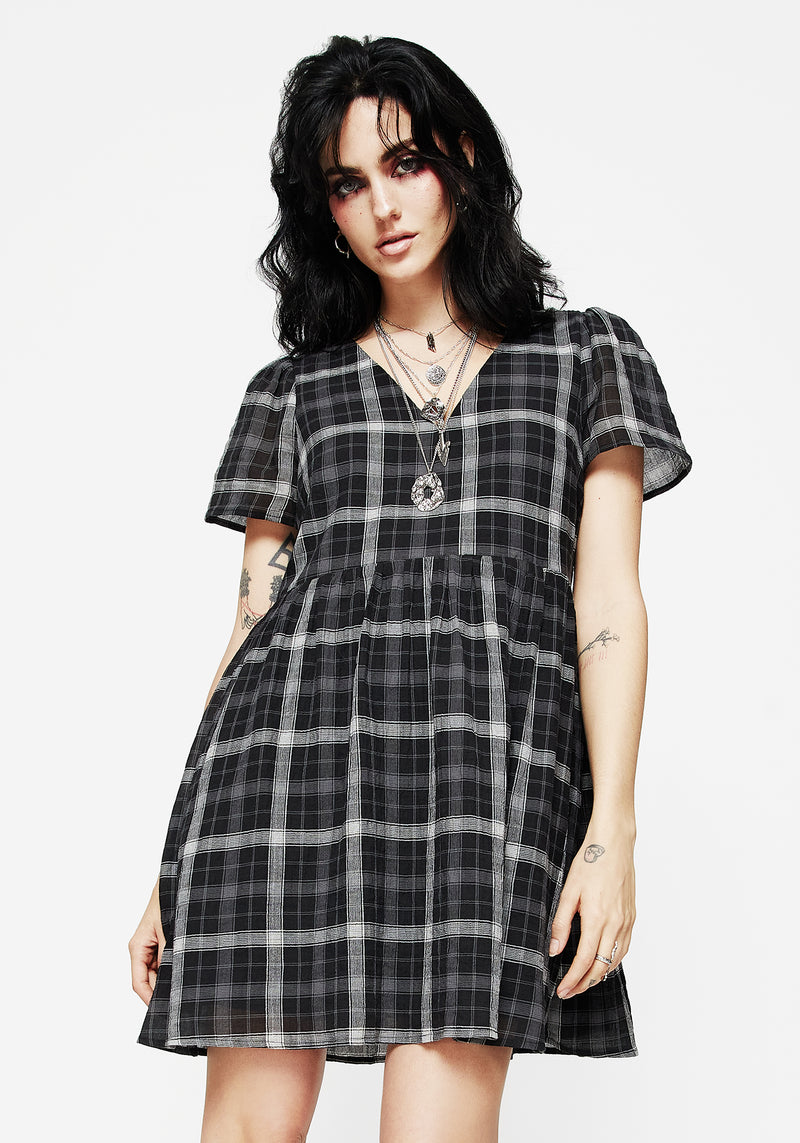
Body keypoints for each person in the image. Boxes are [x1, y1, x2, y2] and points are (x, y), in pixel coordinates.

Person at [129, 33, 693, 1143]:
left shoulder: (586, 357)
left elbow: (607, 606)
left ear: (462, 159)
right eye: (347, 184)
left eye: (404, 164)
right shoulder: (291, 392)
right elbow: (251, 625)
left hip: (486, 781)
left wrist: (610, 830)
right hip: (278, 780)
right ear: (324, 213)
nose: (381, 205)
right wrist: (172, 863)